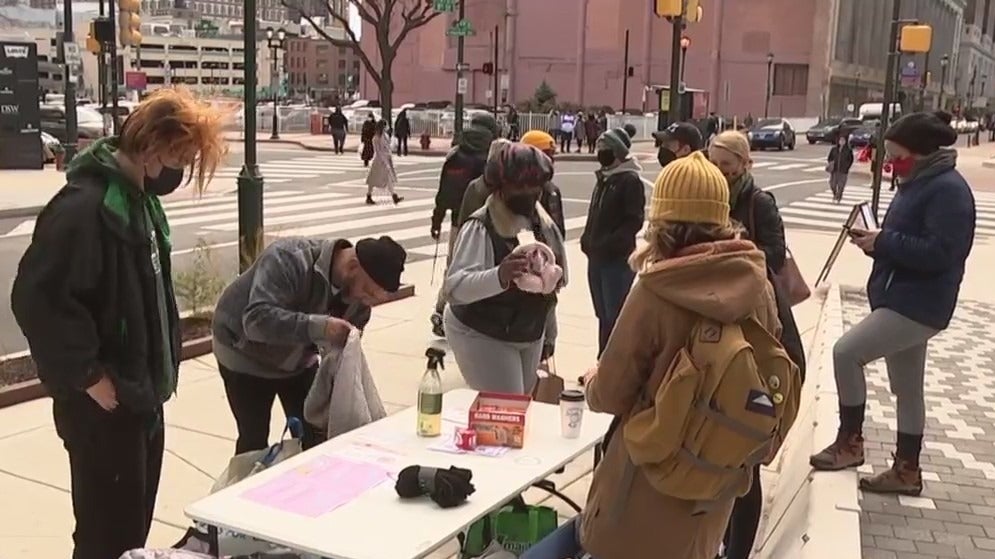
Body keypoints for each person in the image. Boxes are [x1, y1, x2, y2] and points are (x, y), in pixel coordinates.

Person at [10, 87, 227, 559]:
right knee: (104, 537)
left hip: (141, 400)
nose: (180, 172)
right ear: (151, 147)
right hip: (104, 409)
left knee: (130, 533)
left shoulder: (140, 201)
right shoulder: (84, 208)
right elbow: (35, 298)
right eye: (180, 157)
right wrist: (88, 375)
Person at [578, 152, 783, 559]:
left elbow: (612, 392)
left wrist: (592, 381)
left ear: (662, 221)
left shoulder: (656, 291)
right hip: (719, 471)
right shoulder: (758, 286)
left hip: (649, 474)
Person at [810, 111, 975, 496]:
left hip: (917, 303)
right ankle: (906, 470)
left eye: (897, 156)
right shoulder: (916, 182)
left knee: (846, 353)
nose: (890, 163)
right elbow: (905, 242)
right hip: (903, 295)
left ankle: (850, 443)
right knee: (907, 387)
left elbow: (940, 252)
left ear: (919, 154)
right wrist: (875, 243)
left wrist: (882, 242)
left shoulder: (948, 190)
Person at [212, 236, 407, 454]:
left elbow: (341, 357)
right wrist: (321, 328)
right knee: (253, 440)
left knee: (315, 434)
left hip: (298, 361)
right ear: (353, 266)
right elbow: (256, 321)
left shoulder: (360, 305)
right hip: (243, 353)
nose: (368, 301)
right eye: (368, 291)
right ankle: (243, 483)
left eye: (375, 298)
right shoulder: (289, 258)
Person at [707, 130, 805, 559]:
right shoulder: (707, 196)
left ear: (744, 165)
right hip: (726, 317)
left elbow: (775, 255)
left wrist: (734, 247)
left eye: (728, 168)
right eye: (715, 167)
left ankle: (738, 551)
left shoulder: (758, 201)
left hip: (760, 322)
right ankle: (724, 540)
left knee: (745, 462)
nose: (721, 175)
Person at [444, 143, 566, 394]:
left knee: (520, 408)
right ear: (501, 185)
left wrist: (549, 332)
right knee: (507, 409)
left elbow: (549, 289)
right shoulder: (481, 226)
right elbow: (455, 287)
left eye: (535, 185)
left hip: (528, 330)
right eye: (519, 185)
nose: (529, 192)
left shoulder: (544, 225)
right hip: (483, 330)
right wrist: (499, 275)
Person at [429, 113, 499, 337]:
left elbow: (443, 192)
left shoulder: (455, 154)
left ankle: (441, 311)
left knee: (454, 267)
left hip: (459, 221)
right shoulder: (492, 156)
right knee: (485, 271)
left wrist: (436, 220)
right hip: (488, 224)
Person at [580, 127, 645, 357]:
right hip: (596, 258)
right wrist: (587, 240)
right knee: (602, 315)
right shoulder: (604, 179)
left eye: (604, 148)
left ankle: (613, 365)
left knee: (615, 316)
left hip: (616, 261)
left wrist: (608, 244)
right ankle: (603, 359)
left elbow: (633, 221)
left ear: (617, 151)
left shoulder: (629, 181)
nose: (600, 152)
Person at [365, 120, 403, 205]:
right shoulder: (376, 138)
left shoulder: (385, 136)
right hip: (379, 161)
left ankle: (394, 196)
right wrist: (385, 162)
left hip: (386, 159)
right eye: (386, 126)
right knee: (373, 179)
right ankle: (369, 195)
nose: (387, 128)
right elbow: (378, 151)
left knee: (388, 178)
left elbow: (388, 147)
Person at [827, 133, 855, 203]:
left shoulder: (848, 150)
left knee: (841, 185)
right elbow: (829, 158)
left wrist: (847, 167)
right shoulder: (834, 149)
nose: (842, 142)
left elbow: (851, 160)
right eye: (840, 140)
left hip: (843, 171)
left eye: (843, 140)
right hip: (835, 170)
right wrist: (831, 163)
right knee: (832, 184)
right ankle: (835, 194)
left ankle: (838, 197)